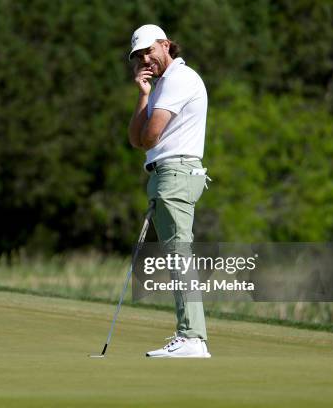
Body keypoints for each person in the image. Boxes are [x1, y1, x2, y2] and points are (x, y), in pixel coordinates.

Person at [128, 24, 211, 358]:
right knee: (176, 253)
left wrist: (151, 116)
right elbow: (136, 139)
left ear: (165, 45)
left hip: (177, 171)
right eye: (138, 56)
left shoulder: (179, 78)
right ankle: (189, 335)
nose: (146, 59)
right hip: (165, 173)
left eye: (149, 51)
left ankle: (193, 338)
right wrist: (144, 94)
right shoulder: (161, 87)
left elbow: (150, 138)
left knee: (179, 251)